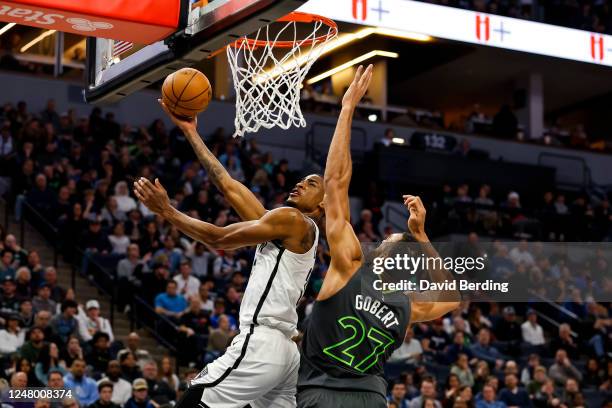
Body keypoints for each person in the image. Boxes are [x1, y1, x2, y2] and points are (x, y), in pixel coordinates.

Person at [134, 96, 326, 408]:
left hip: (263, 343)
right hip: (286, 353)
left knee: (194, 401)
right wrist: (191, 131)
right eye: (301, 180)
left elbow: (219, 239)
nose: (300, 184)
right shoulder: (286, 226)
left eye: (312, 183)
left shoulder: (293, 220)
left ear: (322, 205)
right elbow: (228, 186)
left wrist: (167, 211)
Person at [296, 66, 459, 408]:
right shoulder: (407, 305)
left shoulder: (350, 266)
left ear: (382, 254)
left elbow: (336, 183)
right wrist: (423, 236)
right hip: (371, 398)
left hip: (320, 393)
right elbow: (452, 298)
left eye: (385, 240)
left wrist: (347, 109)